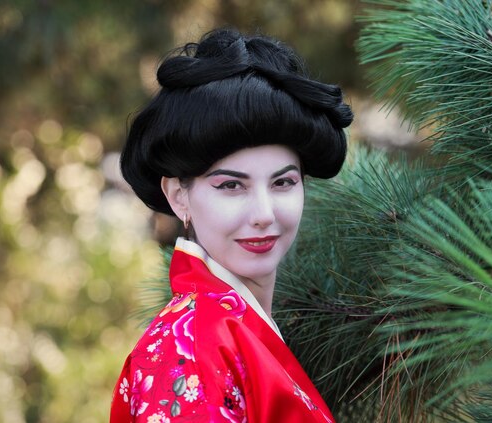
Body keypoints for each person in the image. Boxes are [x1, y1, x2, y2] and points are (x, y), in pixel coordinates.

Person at [111, 28, 352, 423]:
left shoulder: (234, 333)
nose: (264, 213)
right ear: (179, 197)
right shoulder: (188, 352)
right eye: (231, 186)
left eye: (283, 182)